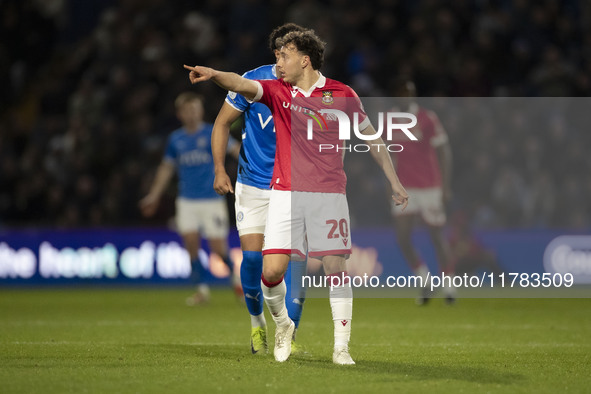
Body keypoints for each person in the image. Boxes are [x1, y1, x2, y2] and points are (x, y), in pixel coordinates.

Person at [184, 29, 408, 365]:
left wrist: (394, 180)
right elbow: (242, 85)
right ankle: (282, 325)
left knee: (335, 267)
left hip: (329, 194)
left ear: (304, 60)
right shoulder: (277, 91)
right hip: (284, 193)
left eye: (283, 55)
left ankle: (341, 348)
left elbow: (372, 137)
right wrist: (216, 75)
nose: (278, 62)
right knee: (271, 272)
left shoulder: (342, 93)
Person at [211, 23, 309, 355]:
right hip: (252, 183)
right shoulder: (256, 79)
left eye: (294, 53)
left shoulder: (314, 89)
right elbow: (223, 122)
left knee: (293, 262)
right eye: (283, 53)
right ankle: (257, 324)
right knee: (252, 259)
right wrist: (219, 168)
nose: (288, 59)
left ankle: (289, 333)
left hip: (293, 187)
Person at [139, 92, 241, 305]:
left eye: (195, 109)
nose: (192, 113)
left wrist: (259, 163)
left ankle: (236, 281)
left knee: (218, 250)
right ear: (180, 114)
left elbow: (235, 150)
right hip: (186, 201)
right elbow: (167, 168)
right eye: (187, 110)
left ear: (201, 111)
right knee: (191, 245)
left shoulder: (213, 132)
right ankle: (202, 291)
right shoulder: (176, 139)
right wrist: (154, 195)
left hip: (212, 199)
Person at [388, 79, 456, 304]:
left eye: (409, 92)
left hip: (429, 186)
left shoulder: (427, 117)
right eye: (401, 92)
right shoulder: (390, 119)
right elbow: (387, 154)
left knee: (436, 235)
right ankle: (425, 280)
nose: (405, 96)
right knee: (402, 237)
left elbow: (444, 149)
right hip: (404, 186)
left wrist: (445, 186)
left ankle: (448, 288)